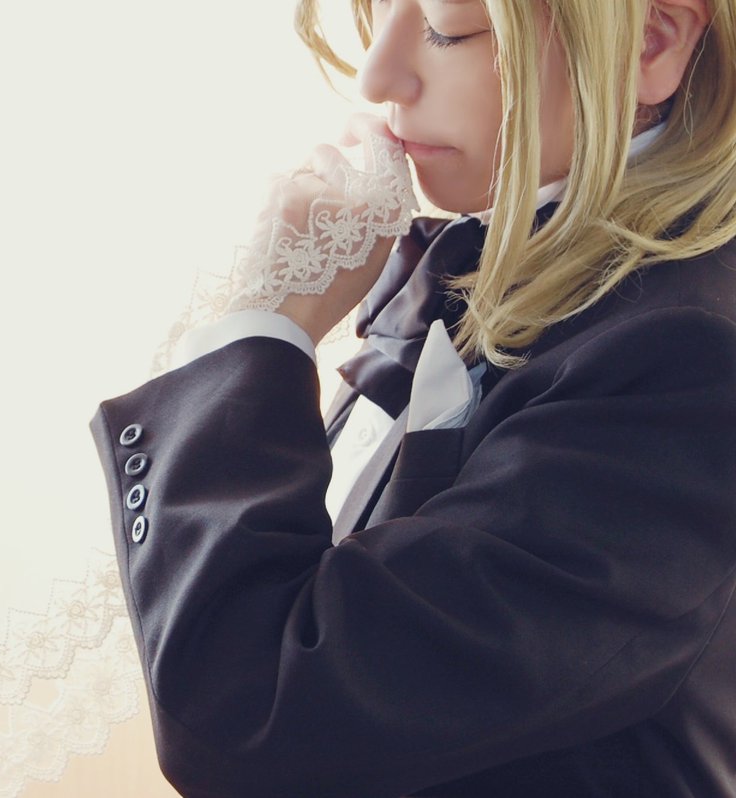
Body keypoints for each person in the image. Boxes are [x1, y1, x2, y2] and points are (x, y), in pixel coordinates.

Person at [90, 0, 736, 795]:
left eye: (444, 28)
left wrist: (268, 326)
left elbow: (254, 714)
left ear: (651, 41)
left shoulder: (687, 367)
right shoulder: (506, 260)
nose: (375, 77)